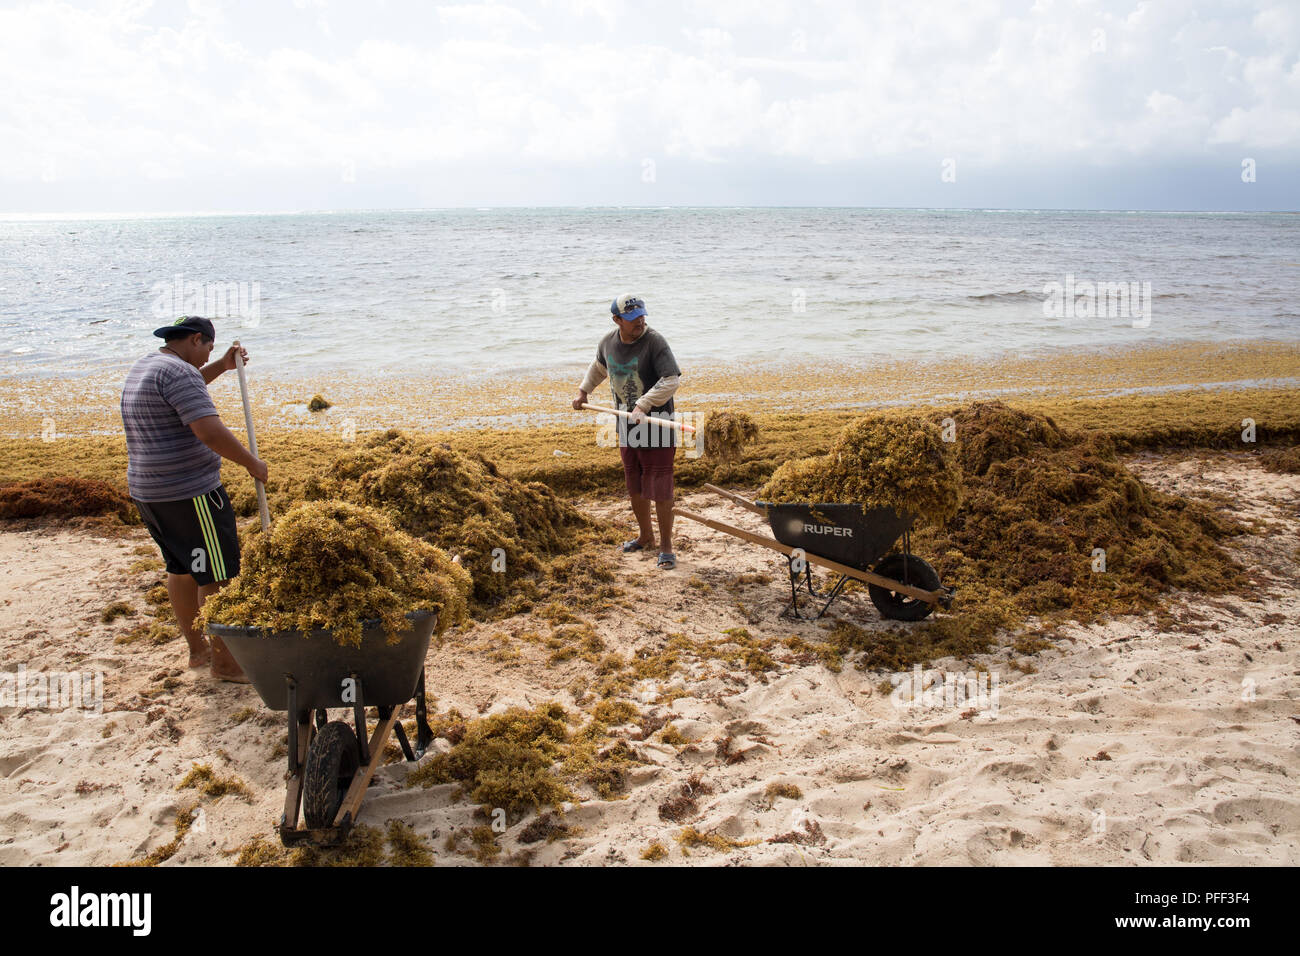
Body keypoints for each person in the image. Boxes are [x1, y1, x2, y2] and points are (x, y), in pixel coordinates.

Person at [120, 316, 268, 682]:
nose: (206, 359)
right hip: (190, 494)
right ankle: (227, 664)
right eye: (208, 351)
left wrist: (221, 366)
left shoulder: (150, 366)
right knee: (219, 575)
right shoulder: (180, 374)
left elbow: (187, 386)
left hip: (150, 494)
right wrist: (252, 463)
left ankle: (199, 651)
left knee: (183, 569)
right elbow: (207, 429)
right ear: (196, 339)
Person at [572, 294, 682, 570]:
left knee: (660, 485)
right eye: (633, 318)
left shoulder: (654, 342)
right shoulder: (608, 342)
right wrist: (584, 391)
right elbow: (599, 367)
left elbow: (671, 379)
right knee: (635, 482)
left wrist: (644, 404)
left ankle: (666, 547)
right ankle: (645, 536)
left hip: (657, 424)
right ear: (617, 320)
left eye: (642, 315)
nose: (640, 321)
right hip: (626, 426)